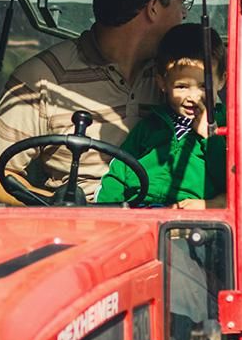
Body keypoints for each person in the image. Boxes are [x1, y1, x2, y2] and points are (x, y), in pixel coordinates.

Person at [0, 0, 190, 204]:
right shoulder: (43, 78)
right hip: (76, 233)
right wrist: (63, 208)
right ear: (153, 7)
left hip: (167, 229)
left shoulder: (182, 78)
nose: (184, 14)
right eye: (182, 1)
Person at [96, 24, 227, 208]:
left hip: (193, 219)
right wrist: (106, 211)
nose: (192, 97)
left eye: (203, 86)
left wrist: (209, 137)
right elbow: (119, 170)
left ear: (221, 80)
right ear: (162, 83)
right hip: (140, 210)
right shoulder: (151, 124)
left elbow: (233, 179)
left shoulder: (227, 127)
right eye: (182, 86)